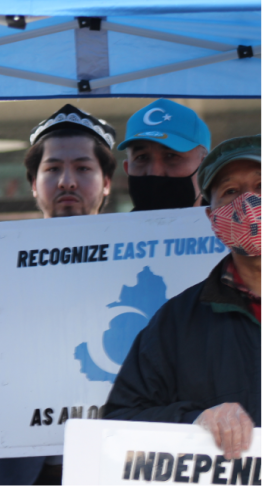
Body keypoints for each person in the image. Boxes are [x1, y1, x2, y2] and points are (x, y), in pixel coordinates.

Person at [0, 105, 117, 485]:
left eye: (83, 168)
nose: (67, 181)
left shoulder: (137, 265)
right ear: (33, 183)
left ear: (107, 182)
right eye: (53, 168)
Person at [103, 134, 260, 460]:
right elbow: (120, 422)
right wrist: (194, 421)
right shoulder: (177, 322)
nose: (249, 203)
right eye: (231, 192)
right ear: (211, 217)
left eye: (261, 186)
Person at [118, 99, 211, 211]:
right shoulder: (109, 228)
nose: (154, 172)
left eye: (171, 156)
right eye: (141, 157)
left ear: (206, 169)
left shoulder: (231, 227)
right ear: (127, 169)